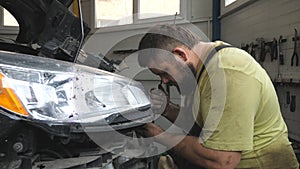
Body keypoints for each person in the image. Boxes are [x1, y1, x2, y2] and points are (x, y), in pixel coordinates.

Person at [136, 24, 299, 169]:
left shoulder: (227, 73)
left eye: (165, 72)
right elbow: (203, 123)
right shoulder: (203, 69)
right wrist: (168, 109)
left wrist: (158, 134)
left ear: (180, 55)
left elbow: (223, 160)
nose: (164, 80)